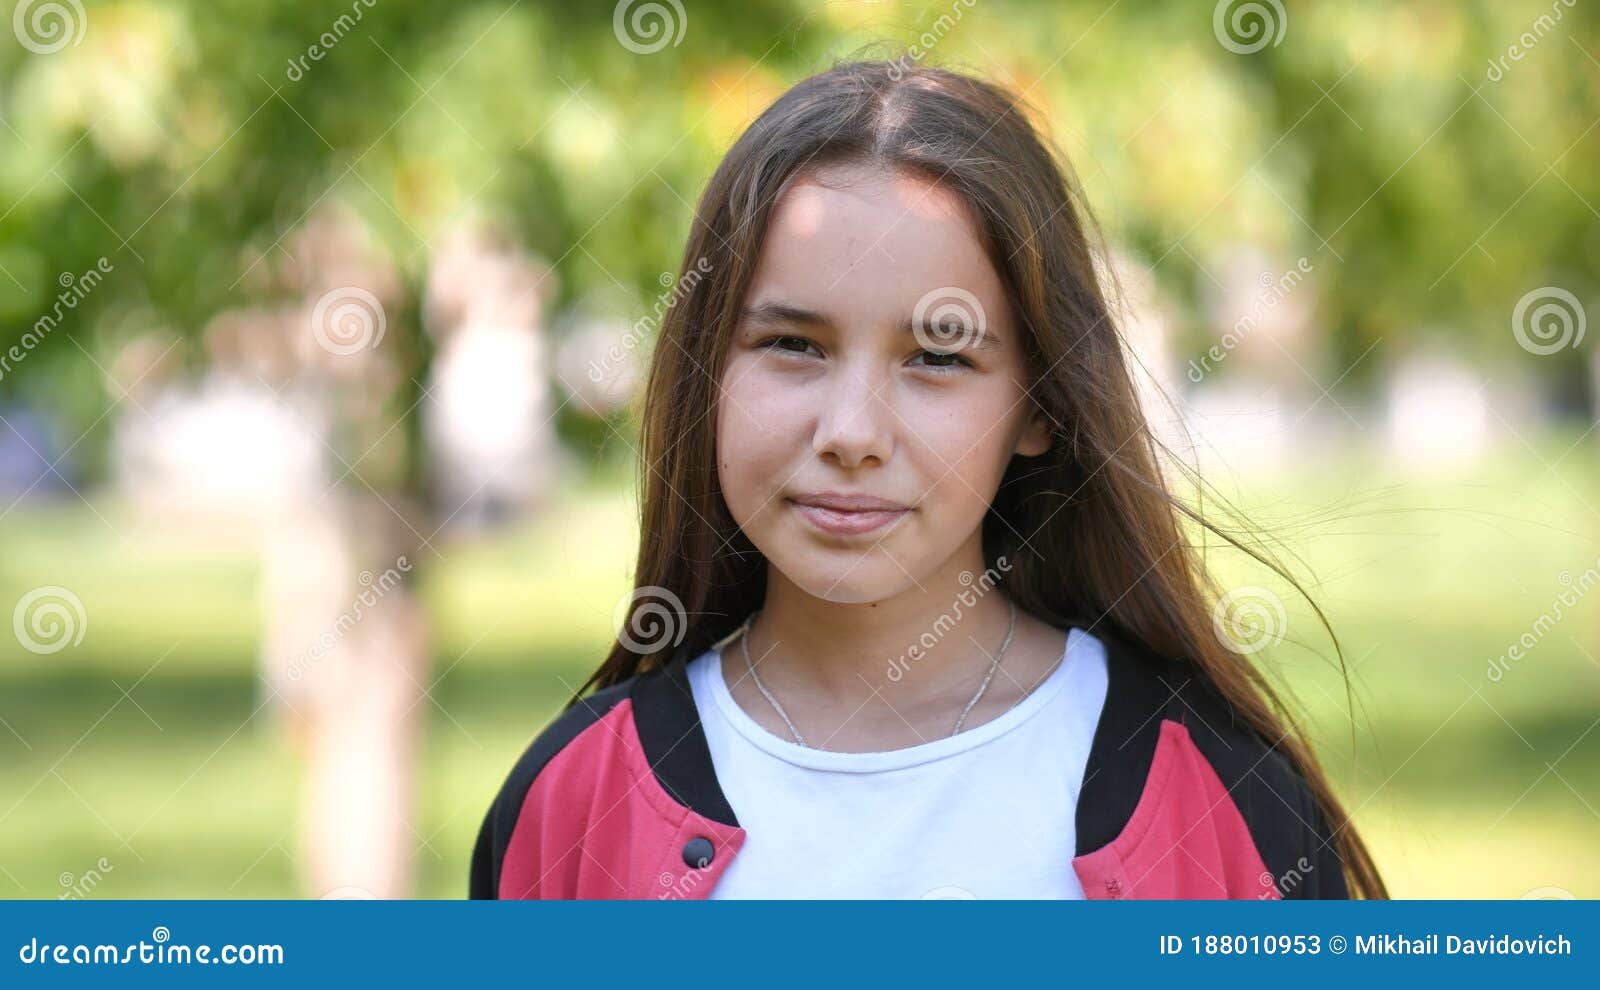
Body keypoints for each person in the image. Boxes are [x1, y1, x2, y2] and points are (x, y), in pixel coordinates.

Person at [470, 60, 1385, 900]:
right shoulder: (569, 807)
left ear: (1040, 404)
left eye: (938, 357)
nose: (852, 433)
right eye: (793, 345)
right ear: (707, 371)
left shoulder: (1225, 796)